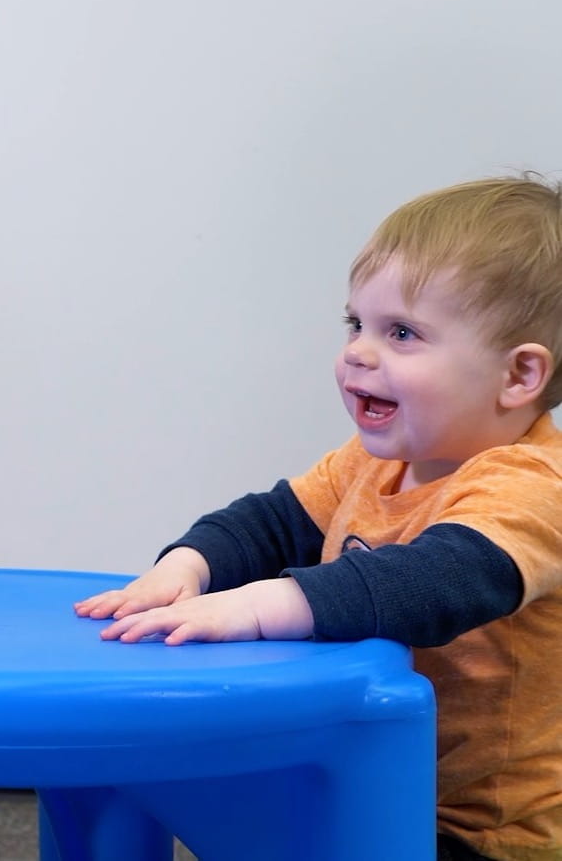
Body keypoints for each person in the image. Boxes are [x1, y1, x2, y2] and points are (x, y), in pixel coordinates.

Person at [74, 174, 562, 861]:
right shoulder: (371, 462)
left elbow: (437, 582)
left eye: (402, 333)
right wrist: (187, 565)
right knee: (141, 753)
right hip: (360, 765)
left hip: (474, 830)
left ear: (519, 377)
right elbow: (271, 523)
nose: (359, 352)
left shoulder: (533, 487)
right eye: (355, 324)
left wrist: (265, 603)